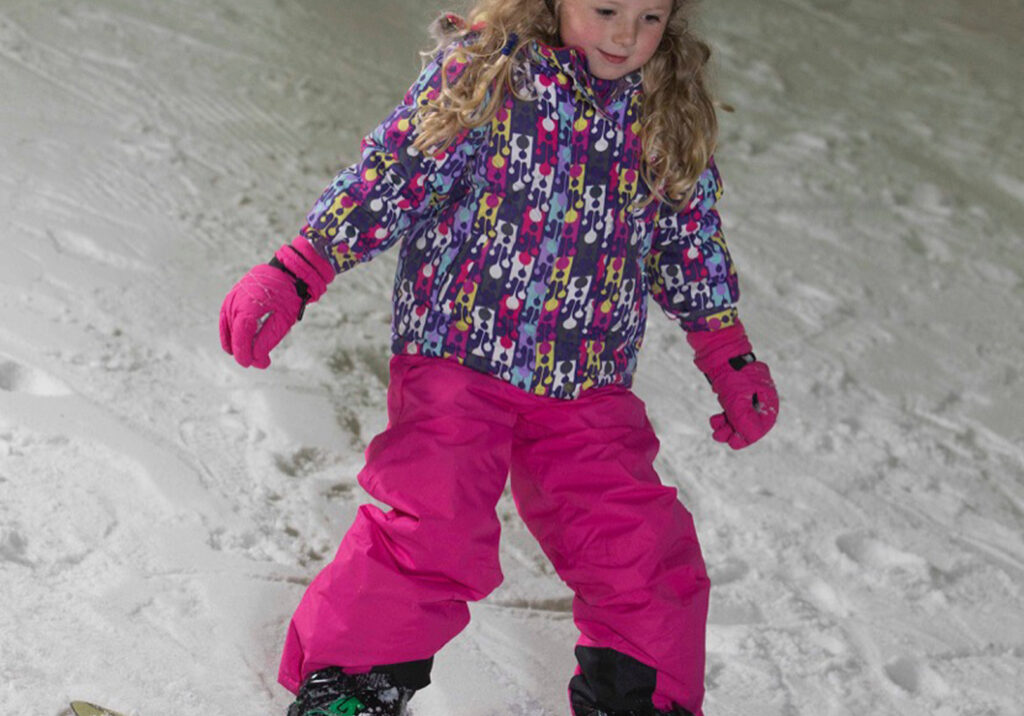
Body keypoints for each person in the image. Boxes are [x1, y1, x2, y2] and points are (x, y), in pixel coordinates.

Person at [219, 0, 779, 714]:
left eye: (649, 17)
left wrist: (729, 356)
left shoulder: (662, 110)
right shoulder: (490, 76)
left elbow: (687, 241)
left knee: (640, 544)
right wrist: (298, 269)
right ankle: (352, 688)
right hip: (458, 356)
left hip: (587, 383)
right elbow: (392, 174)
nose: (624, 35)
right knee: (434, 525)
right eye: (605, 8)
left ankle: (638, 701)